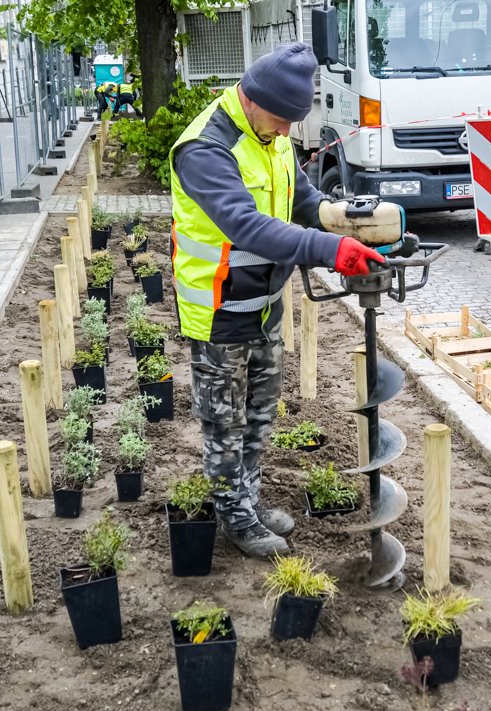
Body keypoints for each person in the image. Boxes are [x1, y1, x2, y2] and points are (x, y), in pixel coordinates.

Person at [169, 42, 389, 559]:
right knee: (225, 424)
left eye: (294, 122)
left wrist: (341, 218)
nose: (288, 131)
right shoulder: (206, 150)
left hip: (266, 304)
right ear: (249, 98)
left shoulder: (271, 138)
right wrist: (327, 248)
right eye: (281, 119)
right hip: (219, 312)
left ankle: (247, 498)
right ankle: (235, 518)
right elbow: (247, 226)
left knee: (260, 414)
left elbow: (300, 197)